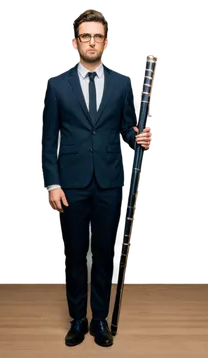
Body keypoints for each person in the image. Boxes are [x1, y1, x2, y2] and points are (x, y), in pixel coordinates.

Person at [41, 8, 154, 347]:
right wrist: (52, 183)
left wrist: (140, 138)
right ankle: (78, 319)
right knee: (76, 254)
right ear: (74, 42)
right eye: (85, 36)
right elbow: (48, 139)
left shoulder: (122, 83)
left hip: (110, 182)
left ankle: (100, 320)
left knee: (104, 253)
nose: (92, 42)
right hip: (71, 184)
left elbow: (126, 128)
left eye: (98, 36)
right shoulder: (57, 84)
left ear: (106, 43)